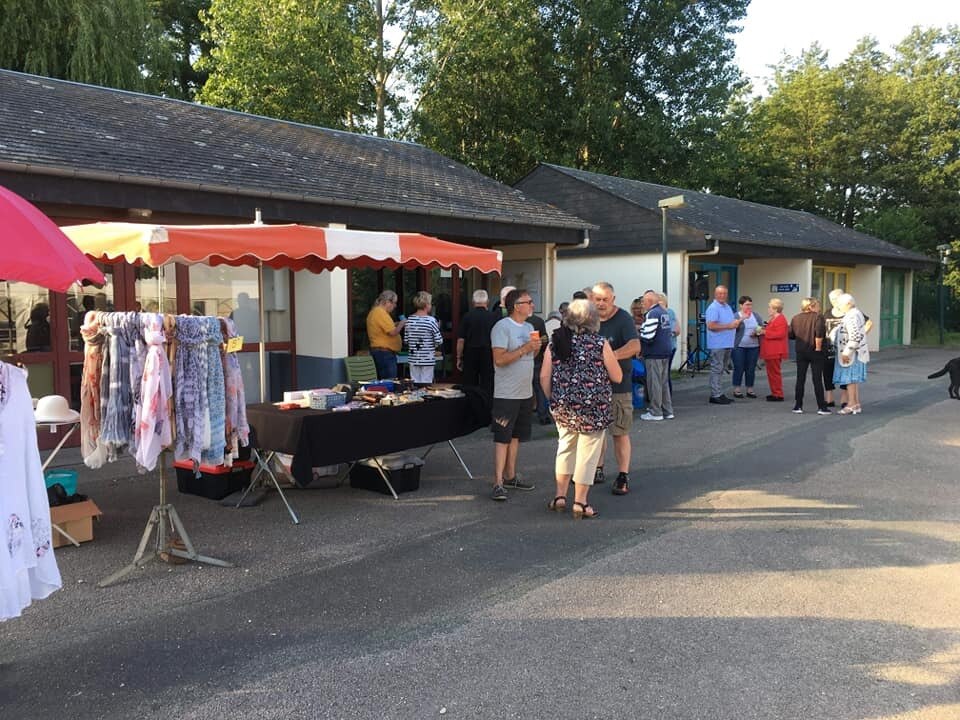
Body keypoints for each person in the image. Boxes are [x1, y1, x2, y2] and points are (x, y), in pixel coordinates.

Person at [540, 299, 622, 519]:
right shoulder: (599, 343)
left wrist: (553, 399)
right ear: (593, 320)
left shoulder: (555, 342)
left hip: (564, 407)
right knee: (588, 454)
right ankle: (580, 502)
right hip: (593, 408)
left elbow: (544, 376)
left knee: (565, 448)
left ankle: (559, 496)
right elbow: (617, 376)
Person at [489, 288, 541, 500]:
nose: (532, 305)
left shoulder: (529, 326)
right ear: (516, 306)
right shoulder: (502, 327)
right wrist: (525, 348)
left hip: (524, 391)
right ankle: (498, 481)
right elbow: (499, 360)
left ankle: (511, 475)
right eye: (528, 302)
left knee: (517, 436)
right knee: (503, 437)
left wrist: (535, 348)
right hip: (506, 392)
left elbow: (532, 354)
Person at [591, 282, 641, 496]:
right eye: (597, 299)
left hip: (619, 385)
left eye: (605, 299)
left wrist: (610, 357)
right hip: (592, 386)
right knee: (595, 431)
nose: (601, 304)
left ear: (613, 299)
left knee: (619, 432)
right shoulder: (588, 319)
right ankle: (597, 468)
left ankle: (622, 475)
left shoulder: (623, 319)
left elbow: (635, 346)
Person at [788, 297, 830, 415]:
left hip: (801, 351)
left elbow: (791, 335)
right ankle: (821, 407)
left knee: (800, 378)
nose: (819, 308)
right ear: (810, 306)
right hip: (815, 351)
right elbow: (819, 333)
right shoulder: (818, 317)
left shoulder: (795, 318)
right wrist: (818, 348)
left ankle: (798, 405)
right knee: (817, 379)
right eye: (817, 305)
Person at [638, 290, 674, 421]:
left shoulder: (653, 313)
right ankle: (668, 410)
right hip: (665, 352)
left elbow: (648, 335)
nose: (642, 304)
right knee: (663, 383)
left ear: (649, 301)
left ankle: (656, 412)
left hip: (654, 353)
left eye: (643, 301)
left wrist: (639, 332)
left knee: (654, 384)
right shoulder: (664, 312)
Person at [833, 293, 869, 415]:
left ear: (848, 303)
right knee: (852, 380)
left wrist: (847, 352)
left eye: (840, 304)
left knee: (850, 380)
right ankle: (856, 404)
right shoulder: (855, 313)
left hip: (852, 354)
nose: (839, 307)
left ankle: (851, 404)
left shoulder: (852, 315)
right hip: (857, 352)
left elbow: (855, 335)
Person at [455, 289, 496, 396]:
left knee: (469, 384)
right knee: (487, 383)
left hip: (470, 353)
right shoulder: (493, 317)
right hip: (488, 353)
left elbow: (461, 340)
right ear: (487, 302)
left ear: (473, 302)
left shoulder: (467, 316)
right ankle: (486, 407)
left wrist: (459, 357)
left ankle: (470, 407)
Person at [704, 285, 739, 404]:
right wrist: (728, 326)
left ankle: (719, 393)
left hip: (727, 343)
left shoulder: (727, 306)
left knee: (721, 369)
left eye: (724, 293)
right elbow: (711, 326)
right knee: (716, 369)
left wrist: (736, 323)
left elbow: (730, 322)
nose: (722, 295)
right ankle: (715, 395)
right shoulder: (713, 308)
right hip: (717, 344)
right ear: (715, 294)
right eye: (720, 293)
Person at [403, 291, 442, 386]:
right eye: (430, 303)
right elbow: (439, 340)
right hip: (427, 359)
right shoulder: (431, 321)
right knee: (426, 385)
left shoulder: (409, 320)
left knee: (415, 384)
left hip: (413, 358)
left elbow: (406, 340)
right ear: (426, 305)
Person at [366, 290, 406, 380]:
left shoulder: (376, 312)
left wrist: (397, 324)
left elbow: (386, 327)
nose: (395, 306)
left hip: (383, 353)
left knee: (386, 380)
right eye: (394, 303)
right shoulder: (380, 312)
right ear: (387, 302)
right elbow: (392, 332)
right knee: (389, 381)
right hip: (384, 353)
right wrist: (402, 324)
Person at [731, 295, 762, 399]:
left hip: (754, 346)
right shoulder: (736, 315)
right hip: (739, 346)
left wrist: (757, 333)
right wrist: (742, 319)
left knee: (751, 368)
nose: (749, 307)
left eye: (750, 304)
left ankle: (750, 389)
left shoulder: (756, 315)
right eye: (747, 304)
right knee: (739, 367)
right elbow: (732, 328)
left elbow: (761, 327)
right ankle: (737, 389)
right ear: (741, 305)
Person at [758, 298, 788, 401]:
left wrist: (764, 332)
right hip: (771, 350)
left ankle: (778, 394)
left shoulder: (780, 319)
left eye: (770, 307)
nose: (768, 309)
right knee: (772, 373)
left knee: (774, 373)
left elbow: (780, 334)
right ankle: (775, 392)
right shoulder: (774, 318)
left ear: (775, 309)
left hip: (775, 350)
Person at [526, 305, 551, 424]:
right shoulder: (539, 321)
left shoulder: (520, 322)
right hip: (537, 359)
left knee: (524, 388)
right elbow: (545, 339)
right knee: (539, 388)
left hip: (522, 359)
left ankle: (524, 415)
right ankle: (543, 415)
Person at [657, 293, 680, 394]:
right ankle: (667, 398)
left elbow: (674, 330)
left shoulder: (665, 313)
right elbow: (677, 330)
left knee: (663, 375)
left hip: (665, 347)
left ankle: (664, 399)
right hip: (671, 346)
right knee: (665, 374)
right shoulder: (671, 312)